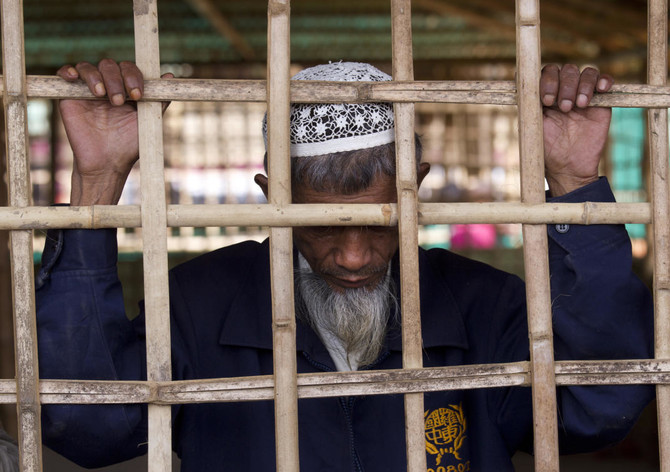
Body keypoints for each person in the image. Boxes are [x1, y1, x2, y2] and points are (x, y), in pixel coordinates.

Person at [36, 60, 653, 471]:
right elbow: (90, 425)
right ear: (272, 197)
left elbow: (597, 409)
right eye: (324, 226)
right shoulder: (200, 301)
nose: (355, 256)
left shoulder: (482, 304)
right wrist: (98, 180)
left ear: (419, 189)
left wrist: (575, 182)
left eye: (378, 222)